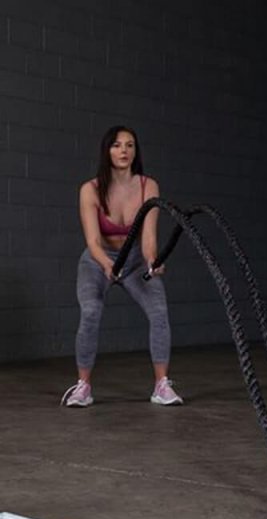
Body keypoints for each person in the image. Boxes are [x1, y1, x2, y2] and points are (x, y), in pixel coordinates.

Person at [61, 125, 183, 407]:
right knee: (91, 311)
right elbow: (92, 240)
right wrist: (106, 264)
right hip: (97, 259)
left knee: (159, 312)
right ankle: (83, 387)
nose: (124, 151)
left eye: (129, 145)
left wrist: (154, 262)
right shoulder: (90, 189)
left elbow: (149, 238)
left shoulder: (147, 186)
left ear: (135, 151)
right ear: (107, 150)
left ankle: (161, 386)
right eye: (117, 145)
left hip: (135, 260)